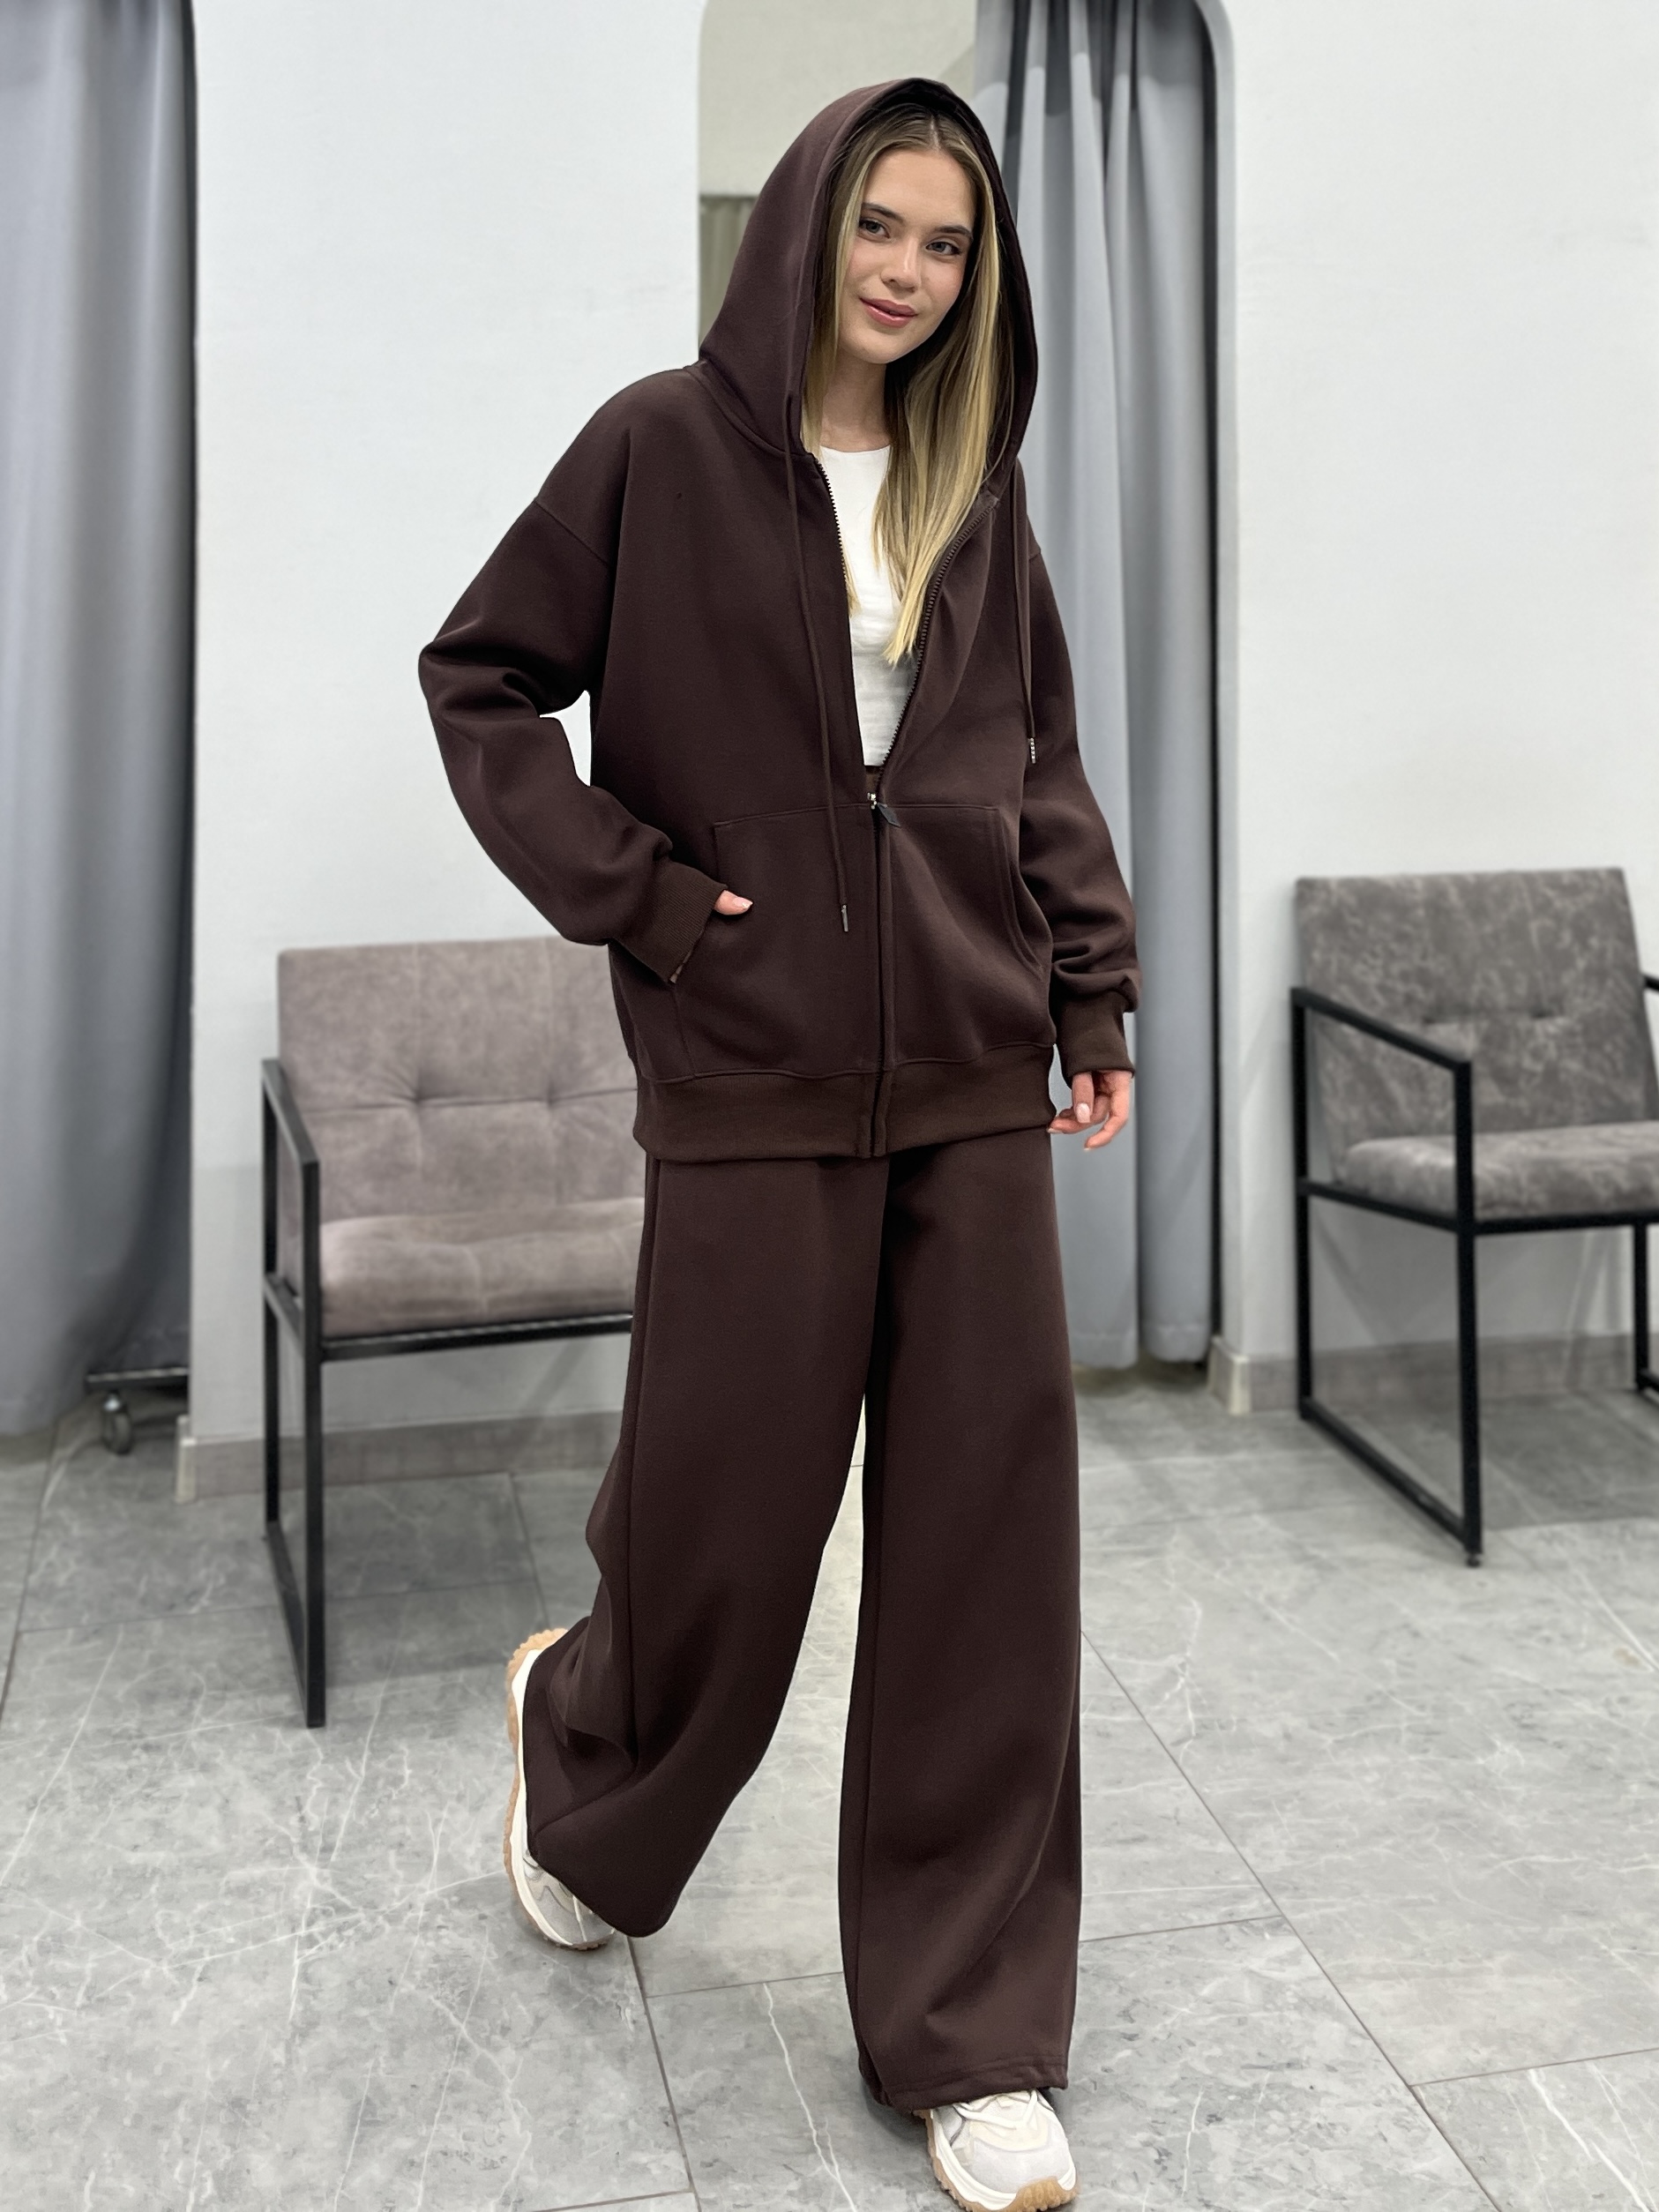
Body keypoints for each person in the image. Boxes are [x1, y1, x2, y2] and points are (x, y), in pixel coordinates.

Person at [420, 77, 1137, 2212]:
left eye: (946, 243)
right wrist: (644, 901)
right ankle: (587, 1760)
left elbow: (1030, 757)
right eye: (877, 228)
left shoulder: (970, 480)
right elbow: (481, 682)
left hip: (972, 1075)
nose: (906, 273)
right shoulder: (656, 447)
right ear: (807, 227)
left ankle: (970, 2033)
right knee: (724, 1526)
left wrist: (1088, 990)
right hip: (749, 1074)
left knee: (984, 1558)